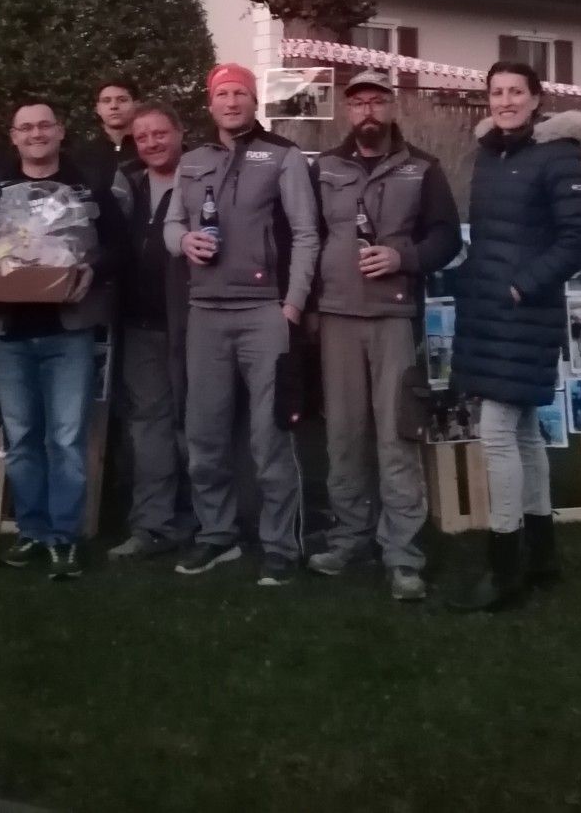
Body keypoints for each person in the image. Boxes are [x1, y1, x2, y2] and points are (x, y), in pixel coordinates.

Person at [306, 71, 461, 602]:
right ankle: (349, 537)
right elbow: (307, 238)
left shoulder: (423, 169)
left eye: (377, 101)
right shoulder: (323, 167)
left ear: (392, 107)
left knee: (397, 437)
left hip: (394, 317)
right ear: (347, 112)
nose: (368, 111)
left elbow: (445, 235)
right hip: (335, 317)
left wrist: (405, 258)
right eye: (359, 104)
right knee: (343, 435)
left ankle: (403, 554)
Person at [165, 63, 320, 587]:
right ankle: (217, 534)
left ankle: (280, 545)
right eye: (222, 94)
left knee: (268, 435)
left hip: (264, 313)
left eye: (240, 94)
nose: (231, 102)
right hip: (205, 313)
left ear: (254, 102)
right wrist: (183, 242)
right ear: (210, 106)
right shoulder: (191, 162)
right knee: (204, 433)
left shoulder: (283, 156)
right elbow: (172, 223)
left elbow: (306, 235)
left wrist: (292, 306)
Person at [448, 61, 581, 612]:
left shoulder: (559, 154)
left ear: (536, 98)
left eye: (515, 92)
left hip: (524, 310)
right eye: (496, 92)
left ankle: (504, 565)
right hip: (488, 310)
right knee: (527, 430)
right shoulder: (491, 154)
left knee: (497, 432)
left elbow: (574, 241)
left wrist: (520, 287)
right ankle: (541, 556)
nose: (505, 101)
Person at [0, 99, 124, 579]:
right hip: (10, 333)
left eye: (44, 126)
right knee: (23, 438)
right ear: (12, 136)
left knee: (68, 439)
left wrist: (91, 270)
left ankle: (64, 538)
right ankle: (31, 531)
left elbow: (119, 246)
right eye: (25, 128)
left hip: (68, 331)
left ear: (60, 131)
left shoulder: (86, 186)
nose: (35, 134)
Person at [108, 101, 195, 559]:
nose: (152, 143)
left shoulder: (204, 179)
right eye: (142, 137)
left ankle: (207, 519)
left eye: (160, 133)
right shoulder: (130, 186)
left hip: (195, 322)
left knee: (199, 425)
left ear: (180, 132)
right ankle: (152, 524)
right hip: (141, 325)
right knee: (149, 426)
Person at [76, 78, 141, 194]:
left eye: (122, 100)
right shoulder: (81, 154)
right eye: (106, 101)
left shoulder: (149, 148)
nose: (114, 106)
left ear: (136, 105)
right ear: (98, 109)